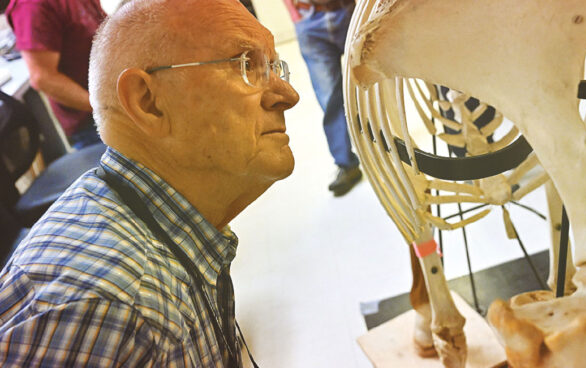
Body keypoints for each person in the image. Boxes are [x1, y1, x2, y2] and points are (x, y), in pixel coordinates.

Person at [0, 0, 299, 365]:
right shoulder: (107, 310)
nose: (289, 96)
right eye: (245, 65)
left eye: (274, 67)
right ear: (148, 102)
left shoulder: (179, 241)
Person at [285, 0, 362, 196]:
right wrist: (295, 14)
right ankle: (346, 165)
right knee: (329, 98)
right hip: (309, 21)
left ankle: (388, 150)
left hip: (348, 12)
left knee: (372, 86)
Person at [5, 0, 105, 149]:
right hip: (95, 121)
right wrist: (106, 108)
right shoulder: (32, 6)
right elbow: (43, 78)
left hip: (114, 101)